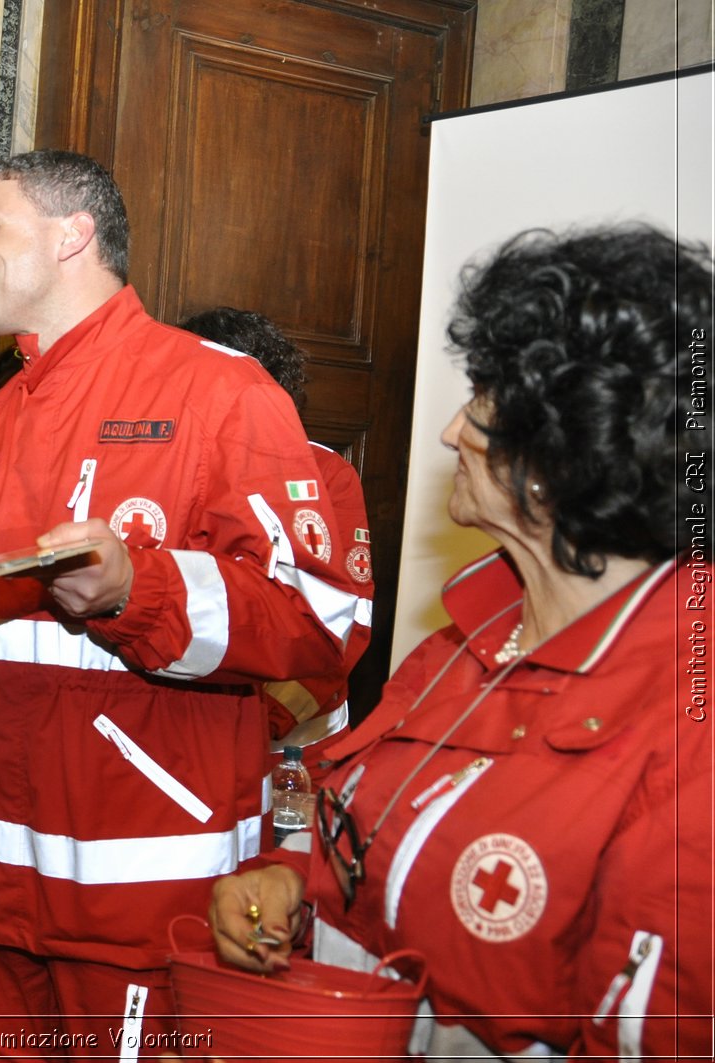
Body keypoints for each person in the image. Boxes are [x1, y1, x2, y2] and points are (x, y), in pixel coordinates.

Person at [0, 150, 369, 1056]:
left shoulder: (219, 390)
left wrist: (141, 588)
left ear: (75, 235)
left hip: (142, 896)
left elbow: (320, 622)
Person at [207, 226, 714, 1060]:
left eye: (481, 403)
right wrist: (293, 887)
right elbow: (391, 855)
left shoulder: (689, 724)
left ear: (558, 457)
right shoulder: (457, 648)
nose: (449, 431)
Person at [181, 307, 373, 773]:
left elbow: (347, 618)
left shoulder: (327, 474)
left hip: (294, 743)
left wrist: (264, 718)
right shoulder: (171, 469)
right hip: (190, 730)